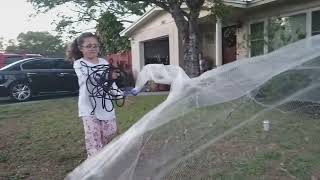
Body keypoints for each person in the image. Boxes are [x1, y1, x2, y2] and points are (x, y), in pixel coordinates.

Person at [67, 32, 139, 158]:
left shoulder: (104, 63)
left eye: (95, 46)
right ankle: (95, 167)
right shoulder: (79, 63)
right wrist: (107, 76)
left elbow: (110, 84)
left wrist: (119, 96)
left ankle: (106, 160)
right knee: (93, 140)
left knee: (109, 134)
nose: (93, 48)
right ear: (81, 48)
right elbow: (89, 79)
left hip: (105, 105)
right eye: (89, 46)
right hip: (88, 108)